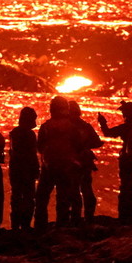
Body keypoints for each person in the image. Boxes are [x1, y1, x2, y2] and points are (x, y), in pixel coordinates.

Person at [98, 101, 132, 224]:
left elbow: (108, 133)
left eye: (123, 112)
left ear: (127, 113)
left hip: (128, 163)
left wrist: (102, 122)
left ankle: (124, 216)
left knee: (125, 189)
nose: (122, 114)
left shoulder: (126, 128)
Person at [34, 96, 83, 229]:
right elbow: (79, 146)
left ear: (52, 109)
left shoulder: (45, 127)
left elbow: (39, 147)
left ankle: (40, 227)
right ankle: (61, 226)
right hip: (66, 167)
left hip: (49, 166)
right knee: (63, 198)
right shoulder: (72, 128)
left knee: (41, 198)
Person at [69, 100, 104, 224]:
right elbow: (97, 142)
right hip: (85, 161)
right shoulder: (85, 126)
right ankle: (89, 217)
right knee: (86, 189)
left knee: (73, 190)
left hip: (72, 162)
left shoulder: (67, 127)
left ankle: (75, 218)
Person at [8, 107, 39, 230]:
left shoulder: (15, 133)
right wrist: (36, 169)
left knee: (16, 197)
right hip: (26, 170)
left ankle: (15, 225)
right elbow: (31, 154)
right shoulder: (29, 134)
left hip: (16, 169)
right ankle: (25, 225)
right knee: (28, 198)